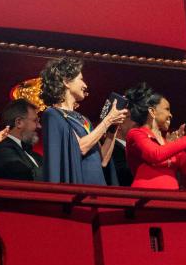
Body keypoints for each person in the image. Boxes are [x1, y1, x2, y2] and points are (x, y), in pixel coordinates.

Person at [39, 57, 127, 185]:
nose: (85, 85)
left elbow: (103, 159)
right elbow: (80, 148)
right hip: (79, 187)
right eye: (81, 79)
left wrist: (113, 128)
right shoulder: (53, 114)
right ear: (66, 82)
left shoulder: (83, 119)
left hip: (97, 186)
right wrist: (108, 120)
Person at [123, 83, 186, 190]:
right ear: (152, 112)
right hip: (145, 197)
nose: (171, 114)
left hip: (169, 199)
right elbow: (155, 154)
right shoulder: (136, 134)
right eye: (167, 109)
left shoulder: (167, 143)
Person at [0, 99, 43, 181]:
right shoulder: (1, 150)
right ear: (19, 122)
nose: (39, 126)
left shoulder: (34, 155)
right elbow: (23, 177)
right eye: (35, 121)